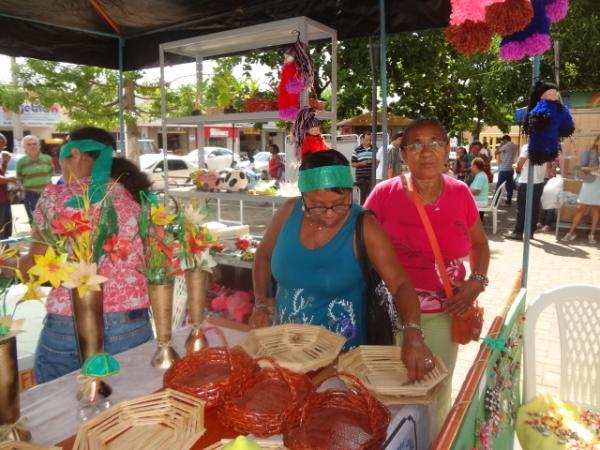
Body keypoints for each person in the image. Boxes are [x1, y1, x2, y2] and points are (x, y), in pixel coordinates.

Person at [249, 149, 435, 381]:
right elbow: (263, 255)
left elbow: (399, 284)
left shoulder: (365, 227)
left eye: (340, 203)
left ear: (350, 192)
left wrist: (413, 333)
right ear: (303, 195)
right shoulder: (288, 212)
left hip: (341, 362)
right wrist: (260, 302)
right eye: (317, 205)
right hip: (285, 352)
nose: (329, 214)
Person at [364, 117, 490, 428]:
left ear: (447, 150)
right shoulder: (383, 195)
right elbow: (359, 242)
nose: (426, 151)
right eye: (416, 145)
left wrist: (477, 281)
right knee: (387, 394)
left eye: (435, 143)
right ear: (403, 154)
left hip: (444, 312)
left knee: (434, 392)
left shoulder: (460, 193)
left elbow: (479, 244)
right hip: (389, 313)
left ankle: (434, 439)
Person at [2, 127, 154, 383]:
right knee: (131, 410)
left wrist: (4, 263)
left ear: (75, 153)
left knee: (59, 412)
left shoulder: (56, 197)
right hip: (132, 319)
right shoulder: (137, 196)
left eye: (62, 158)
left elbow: (31, 268)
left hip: (69, 323)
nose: (61, 167)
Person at [562, 135, 600, 243]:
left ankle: (591, 234)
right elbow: (579, 167)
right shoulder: (588, 154)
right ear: (597, 142)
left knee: (597, 210)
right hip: (589, 184)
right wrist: (591, 168)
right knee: (580, 208)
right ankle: (571, 232)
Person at [505, 144, 547, 241]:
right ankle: (530, 232)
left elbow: (520, 163)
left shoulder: (528, 147)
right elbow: (548, 165)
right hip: (539, 181)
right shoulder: (546, 147)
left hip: (526, 181)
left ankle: (518, 232)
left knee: (522, 208)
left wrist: (517, 169)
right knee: (534, 208)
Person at [16, 135, 54, 221]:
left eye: (34, 144)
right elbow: (19, 179)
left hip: (47, 194)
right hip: (31, 195)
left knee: (50, 221)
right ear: (24, 147)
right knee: (34, 223)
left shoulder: (47, 159)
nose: (32, 146)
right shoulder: (20, 162)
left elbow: (51, 173)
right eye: (29, 144)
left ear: (39, 145)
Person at [351, 131, 375, 204]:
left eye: (370, 140)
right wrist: (361, 163)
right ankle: (362, 212)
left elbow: (378, 161)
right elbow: (352, 164)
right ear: (362, 139)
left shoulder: (374, 149)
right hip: (361, 177)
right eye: (367, 140)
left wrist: (374, 162)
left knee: (372, 196)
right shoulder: (357, 150)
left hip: (372, 176)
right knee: (362, 197)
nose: (368, 142)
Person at [495, 134, 518, 205]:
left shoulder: (506, 146)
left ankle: (496, 201)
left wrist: (501, 145)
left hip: (504, 169)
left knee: (499, 186)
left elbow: (496, 152)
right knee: (509, 186)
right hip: (510, 169)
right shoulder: (515, 146)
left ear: (505, 140)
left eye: (503, 141)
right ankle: (509, 200)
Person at [0, 146, 16, 239]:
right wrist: (12, 179)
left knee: (7, 223)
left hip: (4, 198)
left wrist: (5, 163)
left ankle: (6, 248)